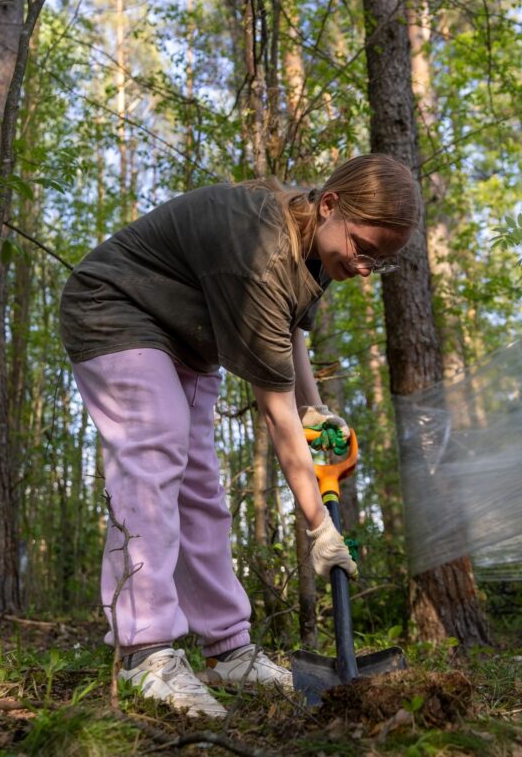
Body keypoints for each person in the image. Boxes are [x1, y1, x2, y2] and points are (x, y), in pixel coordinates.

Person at [58, 154, 419, 716]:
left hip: (188, 337)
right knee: (155, 453)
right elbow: (277, 416)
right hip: (114, 309)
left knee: (200, 484)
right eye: (363, 248)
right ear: (330, 206)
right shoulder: (262, 247)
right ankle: (144, 652)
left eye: (380, 260)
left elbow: (292, 331)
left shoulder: (314, 249)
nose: (366, 266)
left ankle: (229, 649)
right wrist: (319, 526)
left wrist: (316, 409)